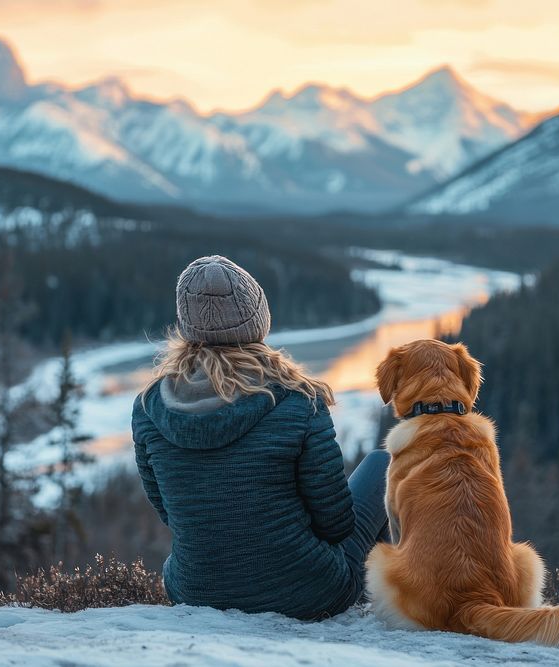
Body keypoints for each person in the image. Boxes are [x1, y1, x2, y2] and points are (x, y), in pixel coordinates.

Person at [132, 255, 390, 619]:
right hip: (308, 594)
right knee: (384, 465)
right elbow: (336, 524)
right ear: (257, 321)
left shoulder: (149, 406)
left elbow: (170, 512)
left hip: (195, 591)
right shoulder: (299, 400)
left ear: (186, 325)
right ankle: (389, 596)